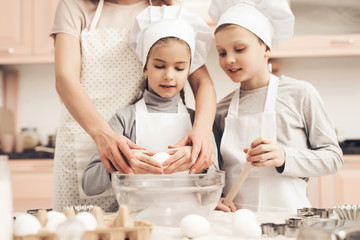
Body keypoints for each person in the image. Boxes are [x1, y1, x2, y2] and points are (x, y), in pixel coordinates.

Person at [50, 0, 216, 212]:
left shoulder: (163, 13)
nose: (168, 74)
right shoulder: (73, 6)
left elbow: (203, 84)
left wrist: (201, 133)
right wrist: (104, 137)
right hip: (87, 139)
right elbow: (65, 79)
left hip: (137, 145)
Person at [209, 0, 343, 212]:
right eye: (222, 52)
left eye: (240, 49)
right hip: (236, 221)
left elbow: (333, 158)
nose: (229, 60)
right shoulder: (220, 109)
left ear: (266, 47)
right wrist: (214, 198)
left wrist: (284, 156)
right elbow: (214, 171)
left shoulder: (300, 94)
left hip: (289, 220)